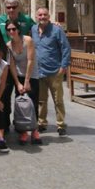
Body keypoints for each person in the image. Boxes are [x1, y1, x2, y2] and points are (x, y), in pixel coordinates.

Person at [31, 8, 71, 136]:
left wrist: (63, 67)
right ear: (36, 17)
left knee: (58, 100)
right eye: (40, 15)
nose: (42, 17)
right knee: (41, 100)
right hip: (39, 71)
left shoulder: (56, 30)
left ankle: (61, 124)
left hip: (55, 71)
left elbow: (66, 48)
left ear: (49, 16)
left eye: (45, 15)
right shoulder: (33, 30)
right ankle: (42, 123)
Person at [6, 19, 42, 145]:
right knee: (21, 103)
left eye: (13, 29)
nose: (12, 31)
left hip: (32, 74)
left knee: (33, 102)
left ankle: (35, 131)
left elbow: (31, 60)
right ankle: (23, 131)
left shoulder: (28, 40)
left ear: (18, 30)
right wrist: (18, 83)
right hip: (19, 75)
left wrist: (27, 81)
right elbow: (11, 65)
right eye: (9, 29)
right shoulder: (8, 45)